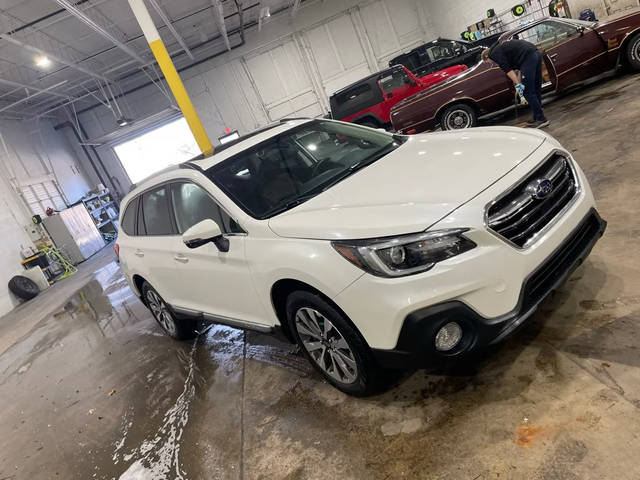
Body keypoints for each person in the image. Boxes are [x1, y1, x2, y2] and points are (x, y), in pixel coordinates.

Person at [482, 40, 549, 128]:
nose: (491, 64)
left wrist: (519, 87)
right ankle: (537, 116)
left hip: (528, 57)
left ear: (486, 56)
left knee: (527, 92)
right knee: (535, 89)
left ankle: (541, 119)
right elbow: (521, 68)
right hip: (534, 53)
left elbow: (509, 72)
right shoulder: (501, 50)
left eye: (487, 62)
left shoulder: (494, 55)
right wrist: (519, 83)